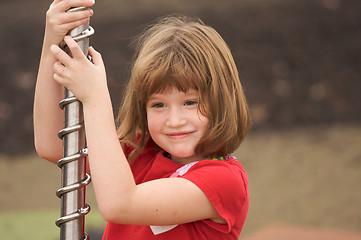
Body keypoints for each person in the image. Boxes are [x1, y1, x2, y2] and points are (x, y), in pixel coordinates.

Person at [33, 0, 252, 239]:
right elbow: (53, 145)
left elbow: (120, 204)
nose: (175, 120)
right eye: (159, 105)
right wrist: (51, 45)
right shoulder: (139, 152)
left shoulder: (224, 180)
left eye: (190, 102)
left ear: (221, 100)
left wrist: (95, 97)